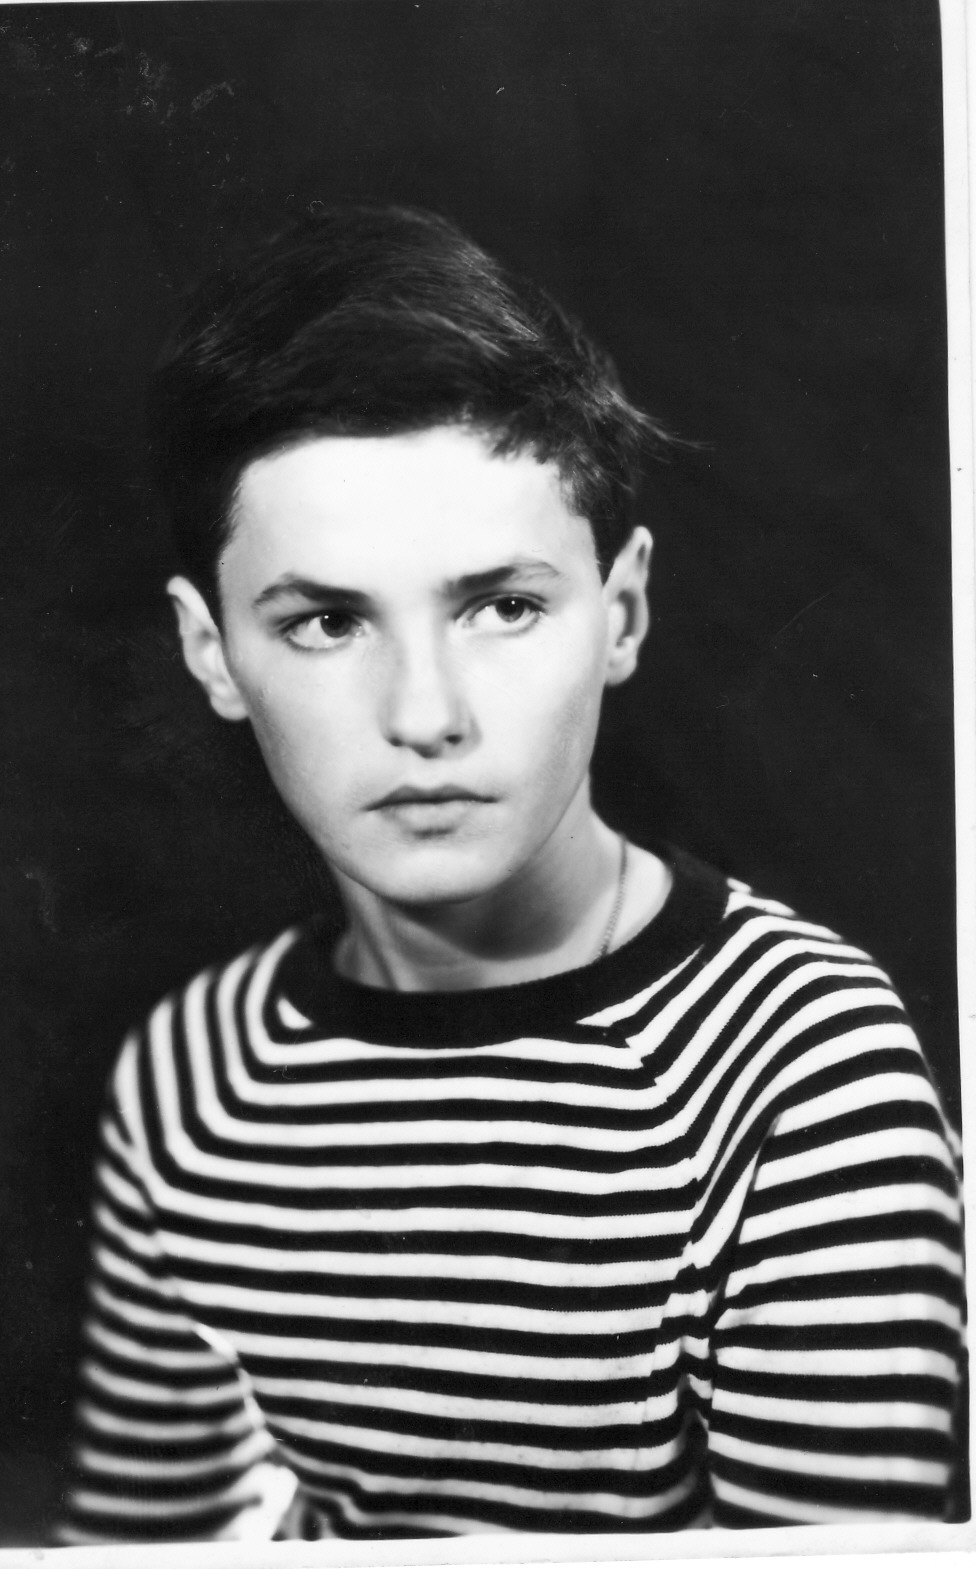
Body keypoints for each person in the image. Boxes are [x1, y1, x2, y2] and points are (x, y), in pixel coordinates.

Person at [58, 205, 965, 1542]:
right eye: (326, 621)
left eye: (504, 606)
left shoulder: (797, 1063)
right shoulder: (192, 1069)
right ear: (211, 652)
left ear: (623, 611)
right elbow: (137, 1543)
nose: (425, 715)